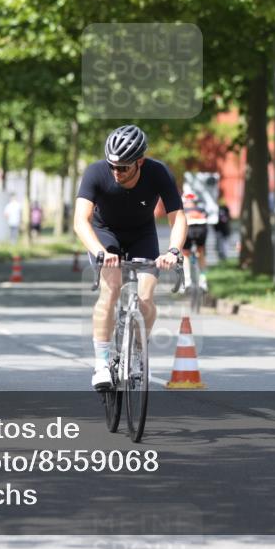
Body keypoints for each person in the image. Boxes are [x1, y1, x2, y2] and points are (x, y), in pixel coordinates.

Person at [74, 124, 186, 390]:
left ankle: (136, 352)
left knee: (146, 296)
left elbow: (177, 217)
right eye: (112, 165)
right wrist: (100, 252)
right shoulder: (96, 172)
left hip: (141, 234)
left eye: (123, 167)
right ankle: (101, 364)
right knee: (110, 290)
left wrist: (173, 251)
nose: (116, 172)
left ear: (140, 161)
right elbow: (81, 221)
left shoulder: (158, 173)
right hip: (105, 234)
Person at [181, 191, 209, 289]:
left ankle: (187, 280)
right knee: (200, 251)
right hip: (201, 229)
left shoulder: (182, 209)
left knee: (185, 254)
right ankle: (203, 279)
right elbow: (207, 217)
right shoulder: (201, 209)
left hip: (188, 229)